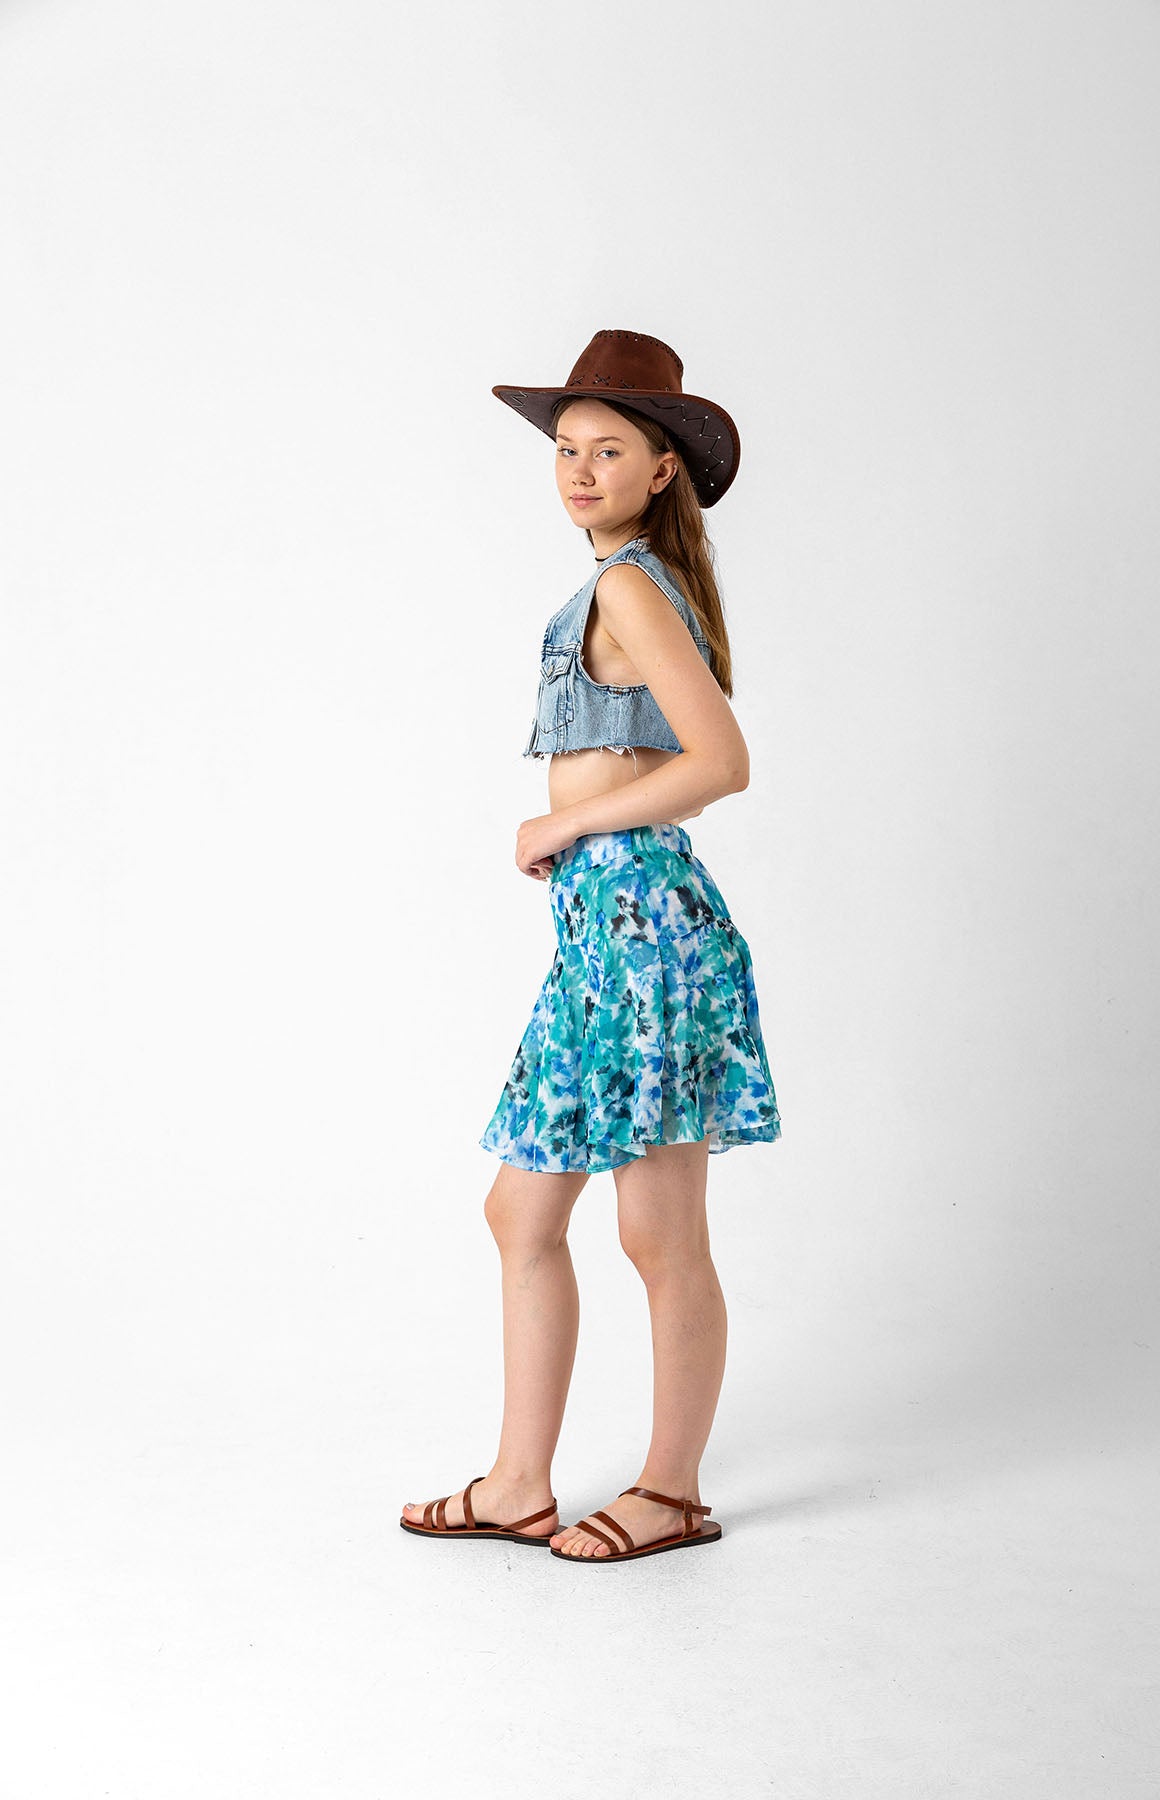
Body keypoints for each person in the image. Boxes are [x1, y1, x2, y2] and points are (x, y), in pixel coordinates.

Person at [400, 328, 782, 1565]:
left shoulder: (629, 588)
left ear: (662, 470)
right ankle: (519, 1483)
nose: (578, 469)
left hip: (645, 929)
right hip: (600, 936)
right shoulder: (619, 582)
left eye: (607, 450)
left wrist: (564, 821)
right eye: (566, 448)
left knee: (657, 1236)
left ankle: (670, 1492)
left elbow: (721, 762)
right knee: (522, 1210)